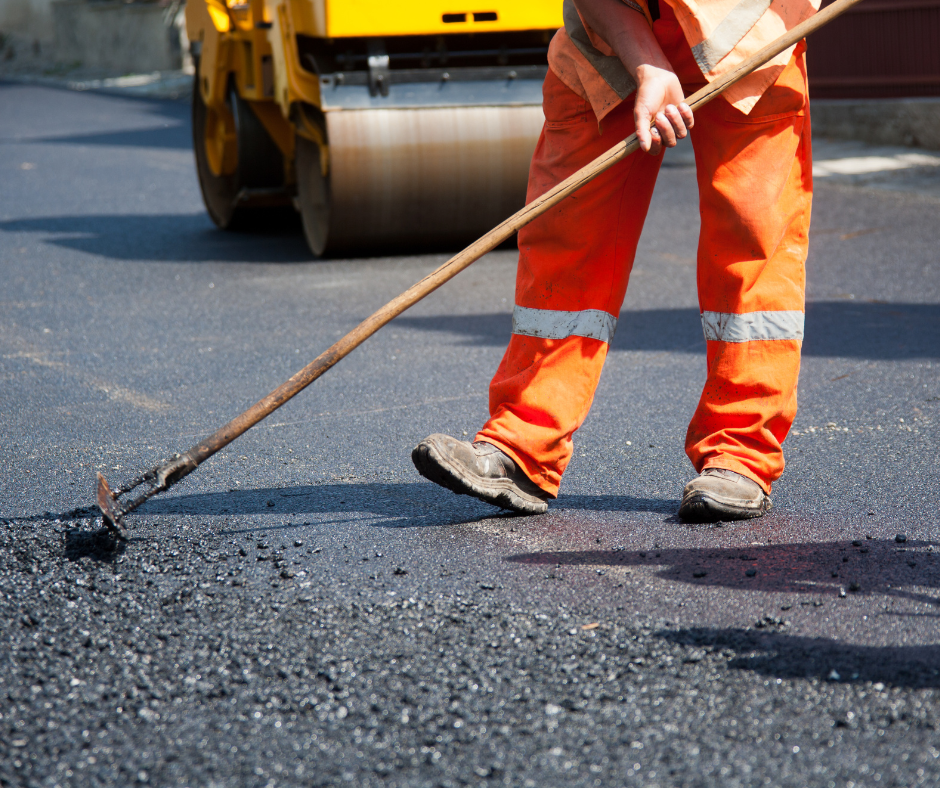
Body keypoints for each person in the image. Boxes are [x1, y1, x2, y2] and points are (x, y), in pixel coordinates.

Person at [413, 0, 819, 522]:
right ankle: (522, 446)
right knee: (565, 233)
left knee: (753, 240)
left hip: (750, 37)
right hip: (606, 44)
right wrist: (647, 64)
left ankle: (741, 454)